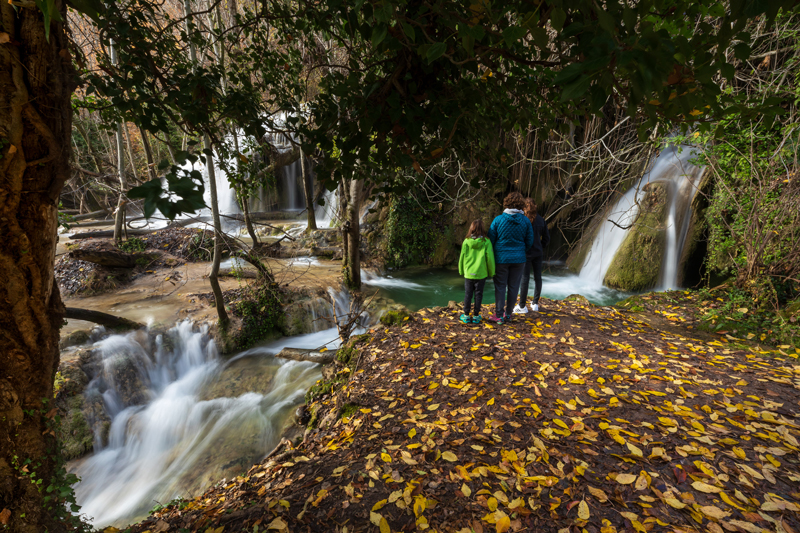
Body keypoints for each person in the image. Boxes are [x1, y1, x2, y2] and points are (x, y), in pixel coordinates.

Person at [487, 191, 533, 324]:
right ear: (521, 205)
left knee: (500, 286)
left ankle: (499, 315)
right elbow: (530, 240)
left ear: (506, 203)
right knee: (514, 286)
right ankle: (508, 314)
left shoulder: (498, 220)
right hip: (519, 259)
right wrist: (521, 251)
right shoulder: (526, 221)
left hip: (501, 258)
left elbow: (491, 239)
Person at [515, 198, 550, 314]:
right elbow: (547, 238)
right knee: (537, 277)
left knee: (524, 278)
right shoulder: (541, 220)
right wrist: (540, 246)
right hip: (538, 253)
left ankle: (522, 306)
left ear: (524, 207)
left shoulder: (522, 220)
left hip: (526, 253)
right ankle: (535, 303)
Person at [458, 219, 495, 324]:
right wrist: (491, 272)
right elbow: (490, 259)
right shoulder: (486, 242)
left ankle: (465, 315)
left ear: (471, 228)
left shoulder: (466, 241)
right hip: (481, 273)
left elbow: (462, 257)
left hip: (469, 273)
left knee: (468, 294)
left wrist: (461, 270)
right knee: (479, 294)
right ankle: (476, 316)